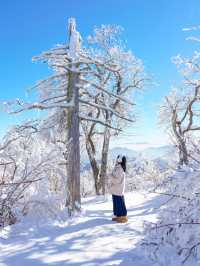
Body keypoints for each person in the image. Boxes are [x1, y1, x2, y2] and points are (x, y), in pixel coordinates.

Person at [108, 155, 128, 223]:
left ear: (119, 160)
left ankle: (121, 217)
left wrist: (110, 176)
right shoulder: (118, 168)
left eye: (117, 158)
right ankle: (119, 216)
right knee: (118, 203)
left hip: (117, 189)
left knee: (118, 203)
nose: (116, 159)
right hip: (116, 189)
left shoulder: (119, 169)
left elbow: (117, 180)